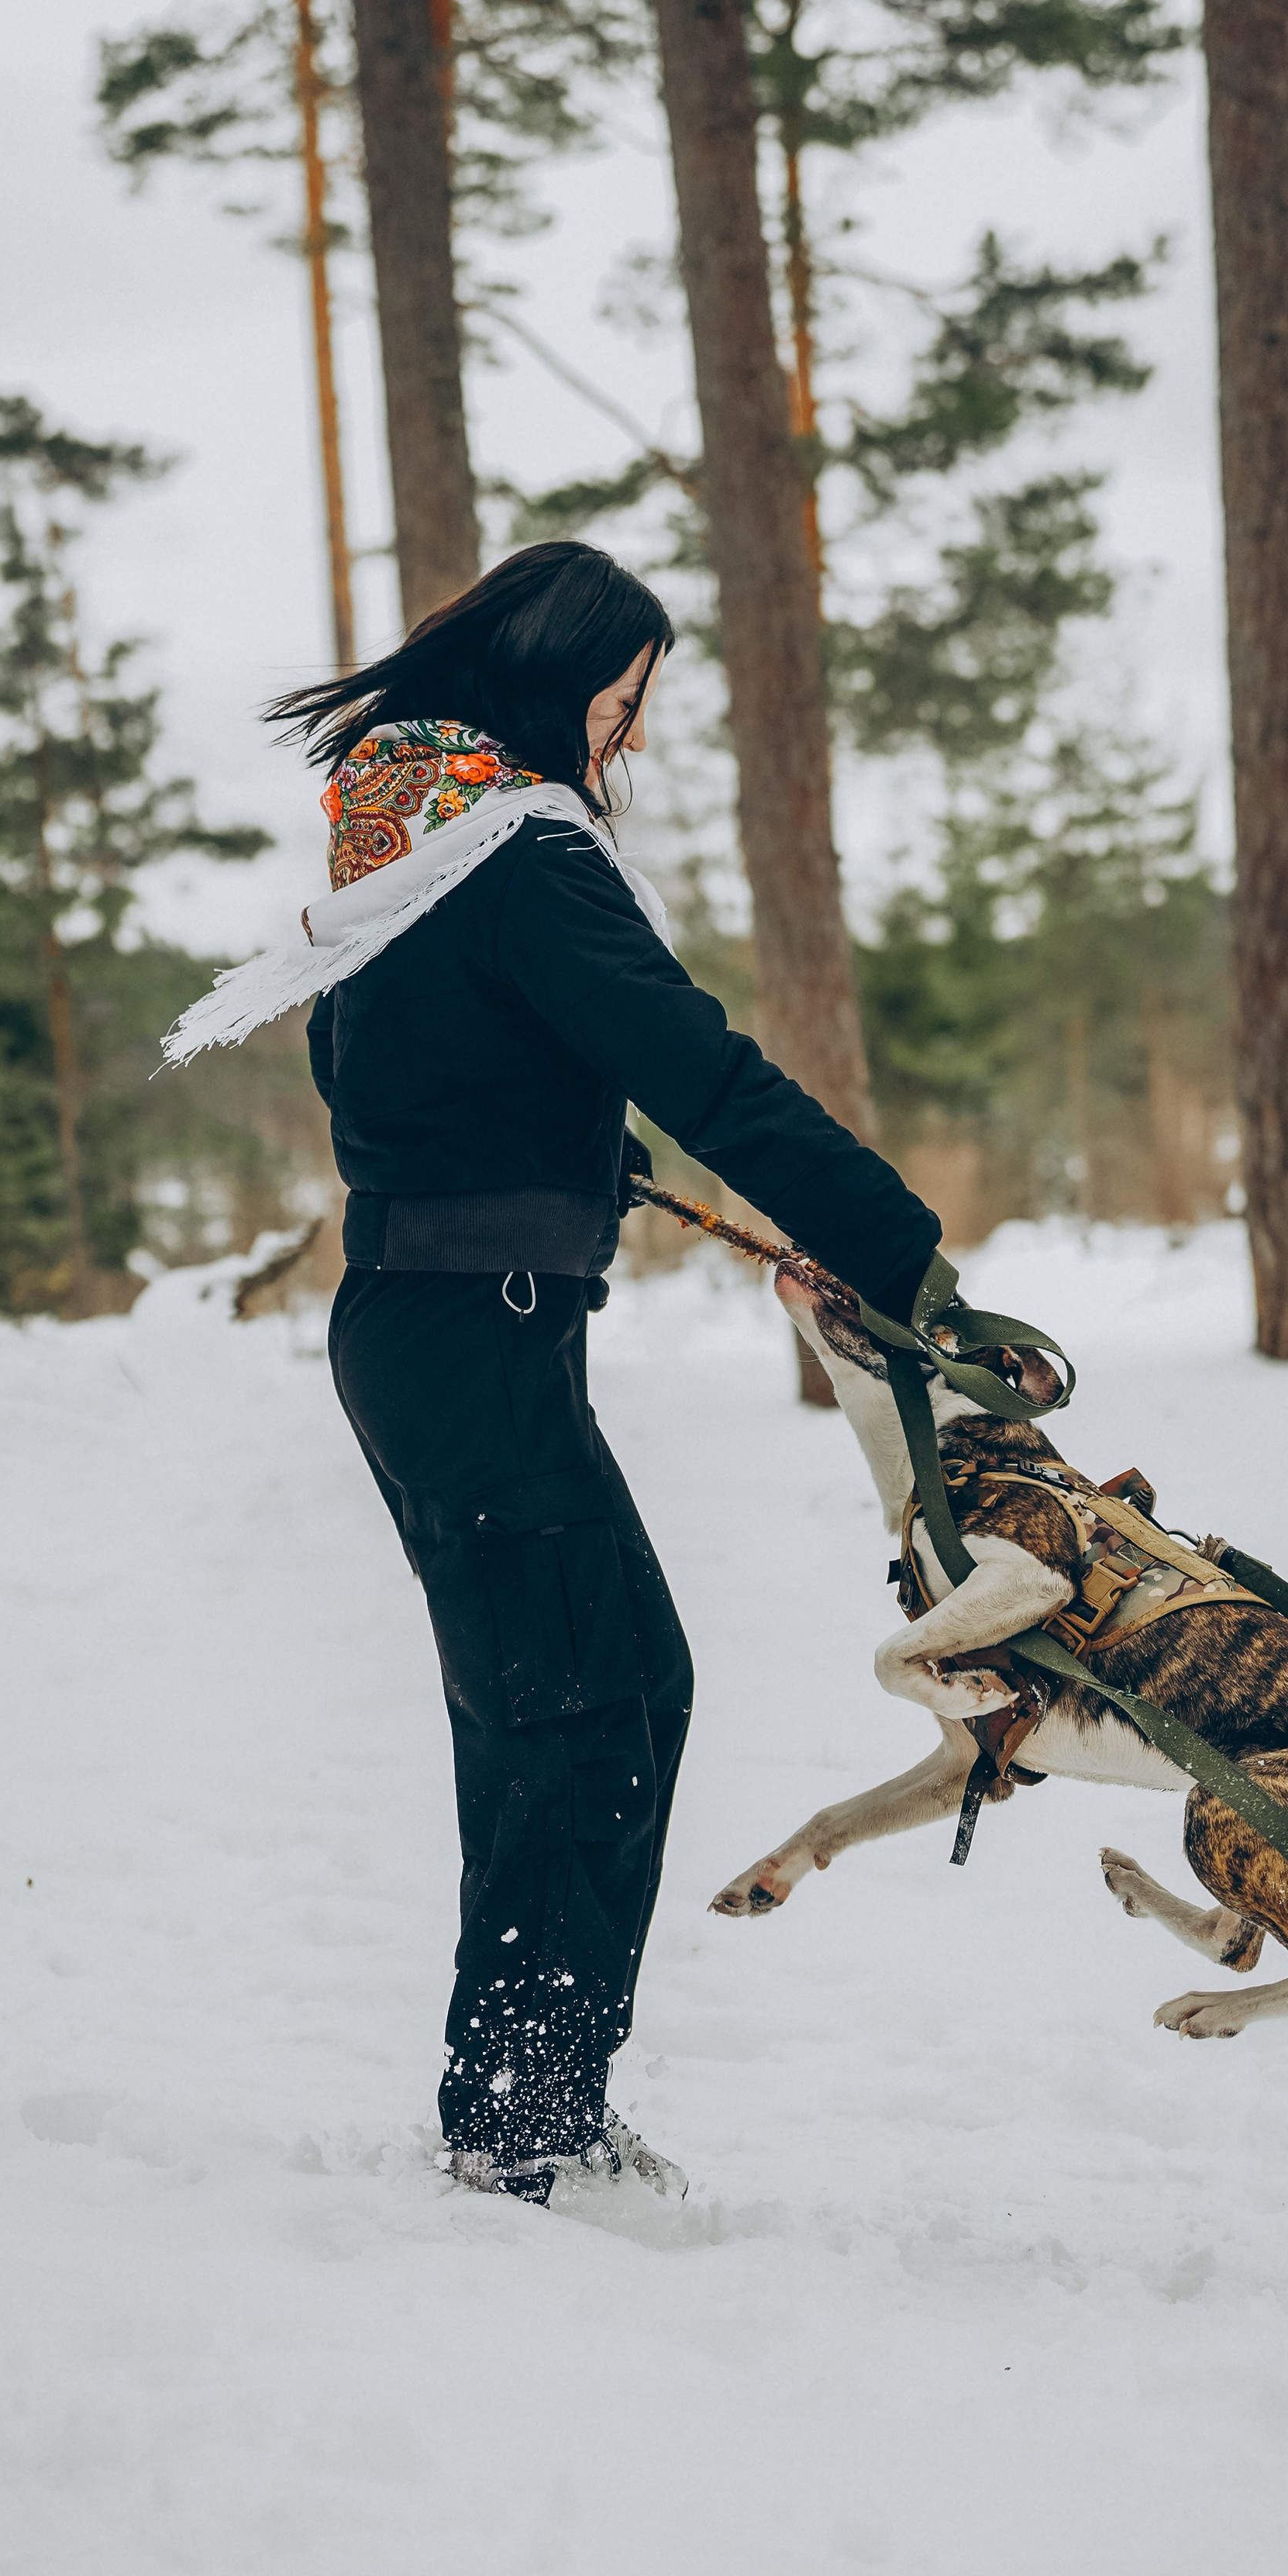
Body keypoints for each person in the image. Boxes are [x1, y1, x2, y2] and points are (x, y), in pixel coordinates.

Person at [267, 541, 942, 2205]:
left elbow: (391, 1066)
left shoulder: (406, 833)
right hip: (472, 1337)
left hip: (434, 1330)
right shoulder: (511, 851)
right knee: (579, 1720)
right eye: (619, 701)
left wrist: (573, 1154)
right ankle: (521, 2121)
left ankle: (529, 2094)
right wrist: (892, 1239)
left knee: (606, 1693)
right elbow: (694, 1065)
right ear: (550, 675)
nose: (622, 737)